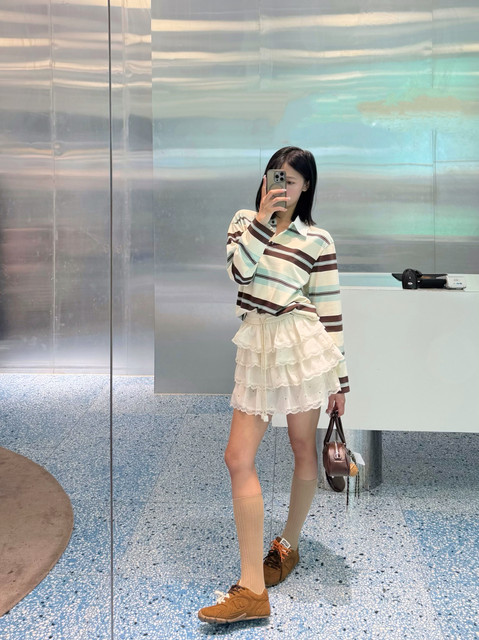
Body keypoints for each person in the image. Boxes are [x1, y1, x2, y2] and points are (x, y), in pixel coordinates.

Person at [198, 146, 350, 624]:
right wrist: (264, 221)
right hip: (258, 343)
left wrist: (340, 381)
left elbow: (328, 307)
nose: (282, 185)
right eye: (275, 175)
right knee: (237, 457)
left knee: (302, 446)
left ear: (307, 186)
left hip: (301, 344)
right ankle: (252, 588)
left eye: (292, 179)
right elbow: (239, 273)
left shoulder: (317, 238)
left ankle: (288, 544)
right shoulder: (245, 221)